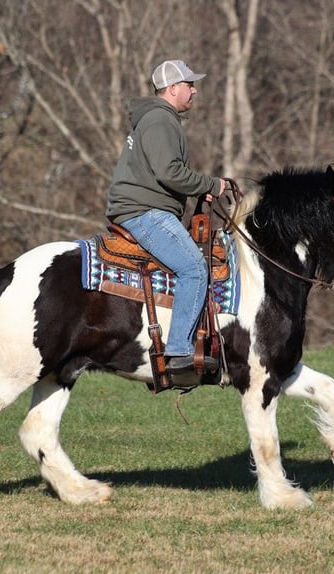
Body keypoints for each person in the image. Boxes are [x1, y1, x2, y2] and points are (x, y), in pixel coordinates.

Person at [105, 59, 226, 373]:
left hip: (142, 208)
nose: (194, 91)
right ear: (173, 88)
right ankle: (177, 352)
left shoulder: (155, 118)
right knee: (195, 269)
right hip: (146, 213)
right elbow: (169, 172)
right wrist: (210, 183)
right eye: (189, 85)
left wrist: (199, 189)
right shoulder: (161, 120)